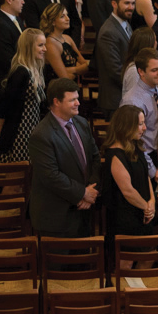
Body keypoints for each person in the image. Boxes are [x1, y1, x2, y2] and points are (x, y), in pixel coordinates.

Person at [28, 77, 100, 237]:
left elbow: (95, 158)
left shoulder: (81, 123)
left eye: (78, 98)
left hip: (84, 212)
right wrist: (82, 193)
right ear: (57, 102)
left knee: (83, 260)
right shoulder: (41, 135)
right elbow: (50, 176)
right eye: (72, 100)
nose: (78, 103)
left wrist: (91, 192)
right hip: (57, 218)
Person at [102, 105, 156, 245]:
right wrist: (146, 207)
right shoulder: (115, 155)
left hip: (143, 211)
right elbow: (127, 191)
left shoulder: (136, 146)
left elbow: (146, 176)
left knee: (149, 255)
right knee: (127, 261)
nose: (144, 128)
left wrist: (152, 201)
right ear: (126, 126)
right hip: (126, 216)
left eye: (143, 123)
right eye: (140, 124)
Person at [0, 28, 46, 162]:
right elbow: (5, 104)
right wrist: (0, 128)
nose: (45, 49)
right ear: (29, 47)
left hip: (33, 129)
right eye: (40, 45)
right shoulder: (20, 72)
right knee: (18, 177)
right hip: (19, 132)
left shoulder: (37, 69)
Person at [121, 48, 158, 179]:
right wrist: (152, 171)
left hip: (156, 153)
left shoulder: (157, 91)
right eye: (154, 70)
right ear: (141, 72)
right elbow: (133, 141)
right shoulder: (133, 101)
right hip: (143, 157)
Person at [96, 0, 134, 116]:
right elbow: (114, 70)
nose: (131, 7)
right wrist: (137, 82)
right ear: (114, 4)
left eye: (133, 3)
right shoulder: (109, 31)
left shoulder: (125, 24)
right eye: (127, 3)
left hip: (125, 95)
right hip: (115, 98)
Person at [40, 2, 88, 82]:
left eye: (67, 15)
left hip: (72, 87)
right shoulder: (50, 44)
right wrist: (77, 70)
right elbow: (65, 78)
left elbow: (85, 66)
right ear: (53, 22)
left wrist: (71, 70)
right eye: (62, 16)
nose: (67, 18)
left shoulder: (68, 38)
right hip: (58, 90)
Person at [121, 27, 156, 95]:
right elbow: (135, 99)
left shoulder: (142, 66)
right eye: (155, 41)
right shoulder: (134, 71)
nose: (157, 43)